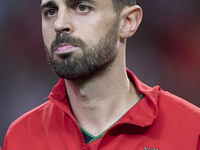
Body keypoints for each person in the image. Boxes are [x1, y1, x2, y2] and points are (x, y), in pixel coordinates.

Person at [3, 0, 200, 149]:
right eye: (50, 11)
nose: (59, 24)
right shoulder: (21, 136)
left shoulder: (192, 130)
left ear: (128, 22)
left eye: (82, 7)